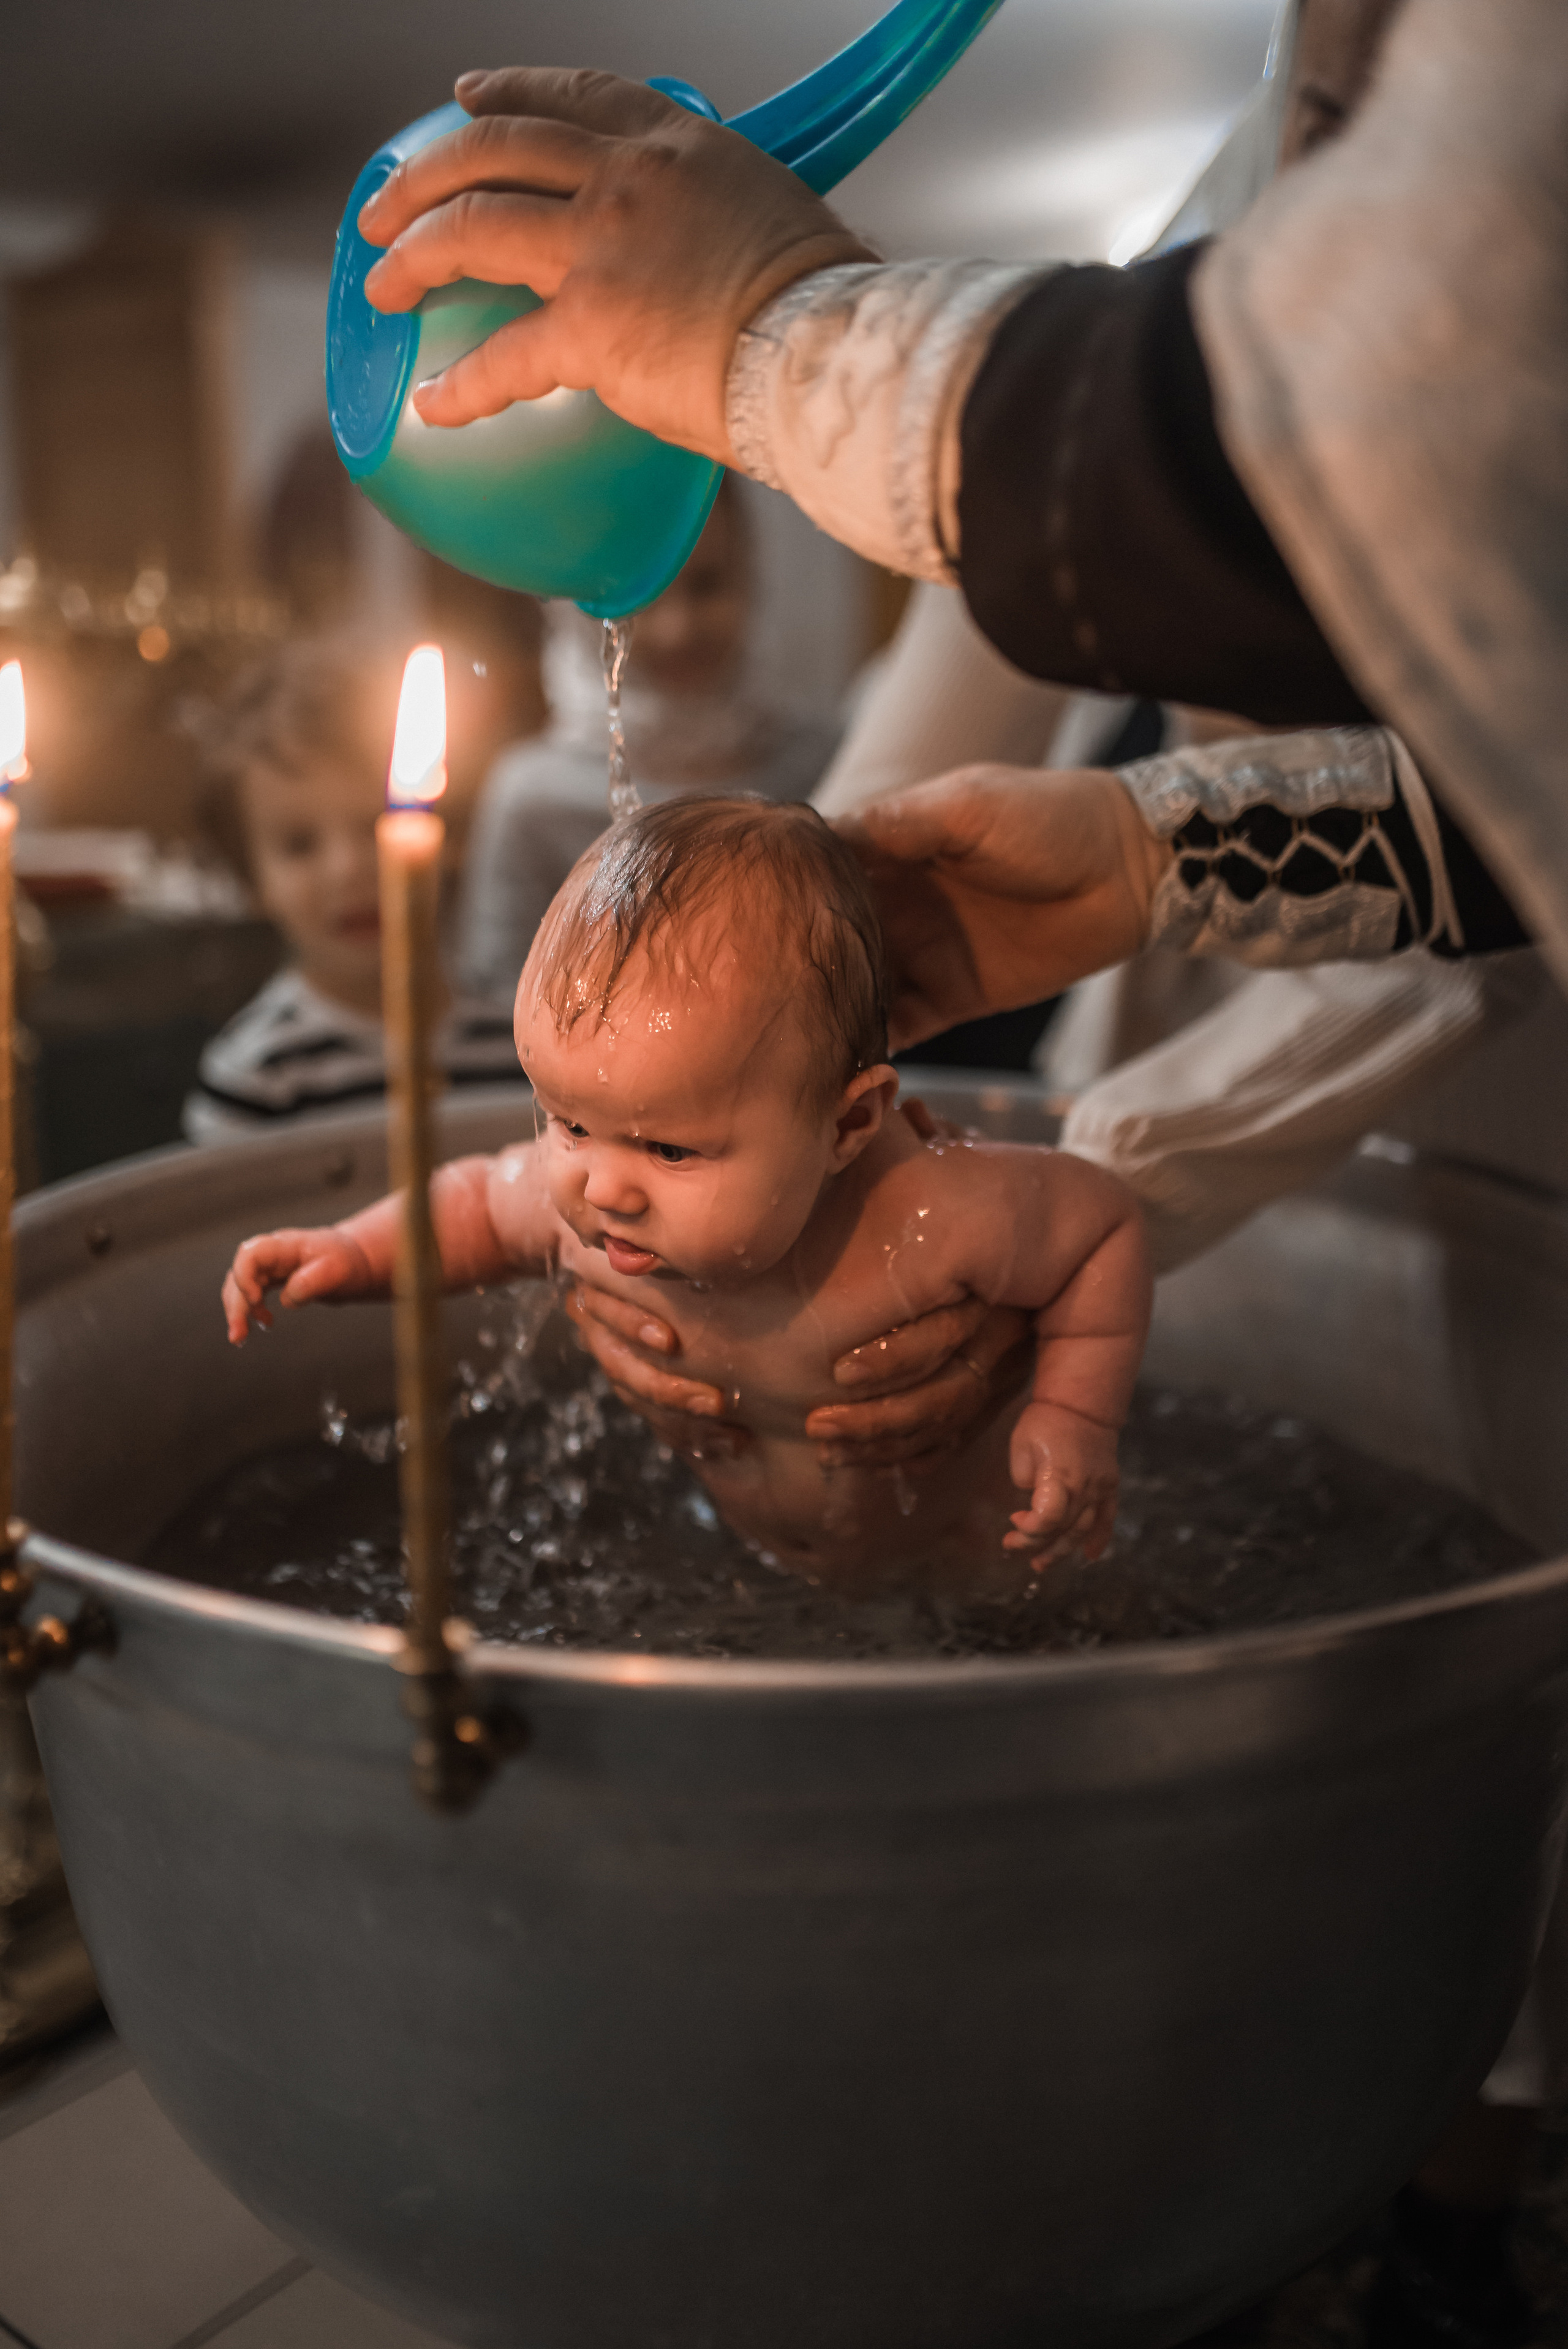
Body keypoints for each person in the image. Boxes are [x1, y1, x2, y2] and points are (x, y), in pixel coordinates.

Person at [220, 797, 1150, 1591]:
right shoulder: (581, 1199)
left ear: (848, 1127)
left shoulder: (932, 1213)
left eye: (669, 1146)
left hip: (972, 1554)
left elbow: (1101, 1230)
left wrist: (1075, 1414)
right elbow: (466, 1206)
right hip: (740, 1562)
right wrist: (351, 1252)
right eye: (568, 1121)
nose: (600, 1185)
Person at [456, 474, 838, 1000]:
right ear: (579, 603)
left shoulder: (823, 761)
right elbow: (500, 1007)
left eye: (706, 585)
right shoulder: (532, 797)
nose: (677, 628)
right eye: (641, 595)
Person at [185, 637, 521, 1141]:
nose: (348, 869)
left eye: (375, 823)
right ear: (251, 881)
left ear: (447, 838)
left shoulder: (519, 1044)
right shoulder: (257, 1075)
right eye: (299, 845)